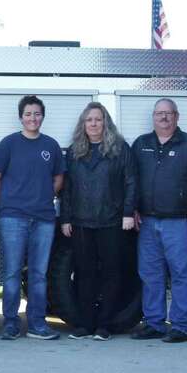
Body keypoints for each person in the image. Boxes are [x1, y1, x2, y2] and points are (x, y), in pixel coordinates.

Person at [130, 98, 187, 343]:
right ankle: (154, 323)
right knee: (150, 274)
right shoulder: (141, 144)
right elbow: (131, 178)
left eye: (168, 113)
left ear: (177, 117)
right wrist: (133, 207)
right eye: (159, 114)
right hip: (147, 222)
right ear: (153, 117)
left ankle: (180, 326)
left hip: (180, 222)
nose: (164, 118)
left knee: (182, 274)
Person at [0, 95, 65, 340]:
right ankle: (11, 324)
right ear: (21, 117)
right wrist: (7, 202)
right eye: (28, 114)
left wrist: (43, 197)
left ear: (43, 117)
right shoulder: (9, 144)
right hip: (13, 218)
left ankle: (37, 324)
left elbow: (59, 178)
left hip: (43, 219)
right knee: (11, 273)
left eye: (37, 114)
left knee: (39, 274)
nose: (33, 118)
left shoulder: (50, 146)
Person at [59, 103, 136, 341]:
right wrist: (65, 218)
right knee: (84, 274)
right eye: (89, 120)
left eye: (98, 119)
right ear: (83, 124)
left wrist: (127, 213)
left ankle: (104, 325)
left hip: (111, 222)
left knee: (111, 273)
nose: (93, 124)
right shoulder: (74, 151)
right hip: (81, 223)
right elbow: (67, 188)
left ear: (106, 123)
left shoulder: (120, 149)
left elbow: (131, 182)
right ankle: (85, 325)